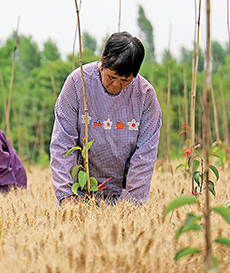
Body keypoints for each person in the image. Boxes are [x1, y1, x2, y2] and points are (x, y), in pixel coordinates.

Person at [50, 31, 161, 205]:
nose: (116, 85)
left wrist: (129, 205)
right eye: (111, 77)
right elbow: (63, 143)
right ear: (102, 60)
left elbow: (145, 154)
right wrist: (66, 195)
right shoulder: (78, 84)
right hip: (81, 195)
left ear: (135, 75)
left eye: (125, 80)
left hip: (122, 196)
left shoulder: (145, 96)